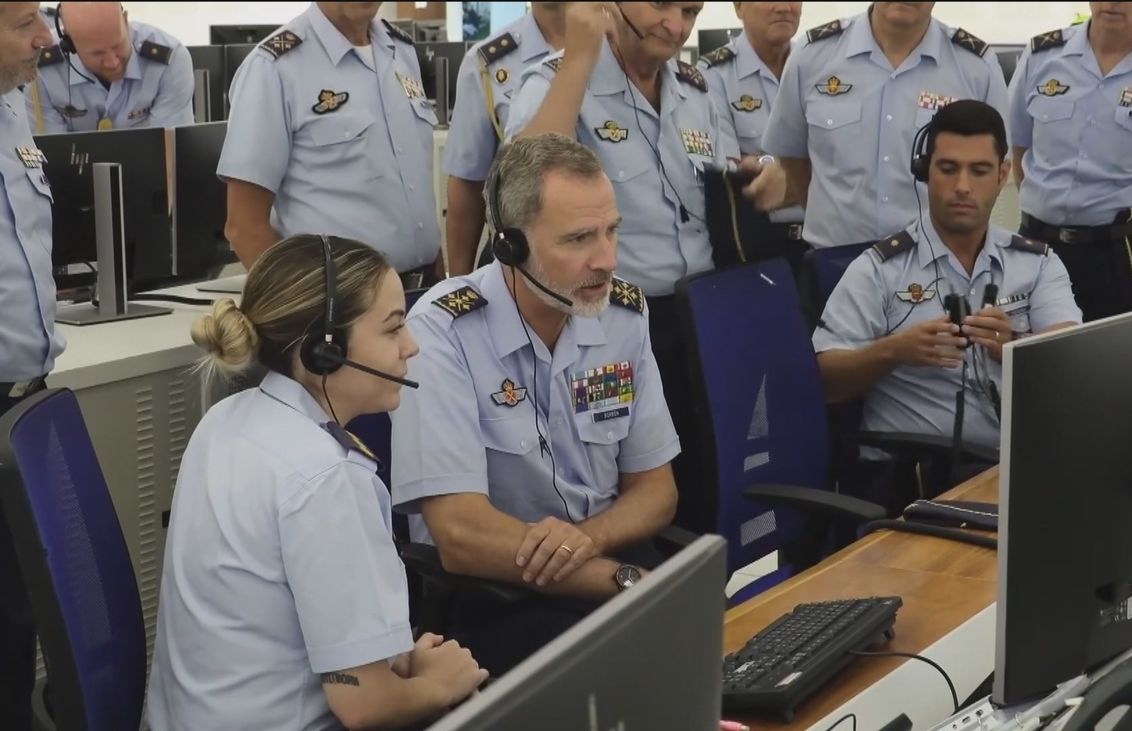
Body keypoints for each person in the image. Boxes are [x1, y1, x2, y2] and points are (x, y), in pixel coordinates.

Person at [148, 235, 487, 730]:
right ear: (324, 352)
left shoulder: (226, 420)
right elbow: (365, 706)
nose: (411, 346)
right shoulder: (327, 477)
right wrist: (440, 683)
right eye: (393, 330)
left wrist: (382, 660)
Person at [391, 134, 679, 675]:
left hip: (606, 557)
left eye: (611, 231)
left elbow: (656, 489)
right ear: (509, 247)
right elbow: (460, 536)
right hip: (496, 594)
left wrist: (587, 540)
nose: (607, 260)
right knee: (642, 674)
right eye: (579, 239)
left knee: (725, 658)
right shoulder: (443, 331)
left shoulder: (622, 314)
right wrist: (623, 582)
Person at [505, 2, 731, 533]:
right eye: (660, 6)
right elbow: (520, 186)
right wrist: (581, 58)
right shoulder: (558, 80)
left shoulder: (697, 91)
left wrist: (760, 176)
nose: (675, 27)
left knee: (702, 483)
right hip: (605, 323)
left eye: (691, 11)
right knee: (614, 486)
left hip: (697, 321)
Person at [814, 101, 1080, 494]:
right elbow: (827, 381)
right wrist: (894, 351)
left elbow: (1073, 364)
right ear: (926, 172)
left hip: (1018, 470)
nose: (962, 187)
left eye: (979, 170)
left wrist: (1016, 346)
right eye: (948, 169)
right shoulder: (879, 268)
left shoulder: (1037, 263)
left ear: (1003, 173)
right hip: (911, 481)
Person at [746, 1, 1010, 248]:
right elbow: (793, 158)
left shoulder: (977, 69)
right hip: (836, 265)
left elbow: (994, 173)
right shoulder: (811, 57)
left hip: (934, 266)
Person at [218, 2, 441, 285]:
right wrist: (302, 310)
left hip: (424, 291)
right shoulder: (274, 68)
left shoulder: (401, 51)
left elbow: (415, 193)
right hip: (341, 307)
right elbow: (244, 227)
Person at [1009, 2, 1132, 321]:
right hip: (1037, 246)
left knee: (1122, 362)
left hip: (1123, 254)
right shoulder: (1042, 56)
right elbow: (1019, 149)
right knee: (1029, 360)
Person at [0, 5, 58, 728]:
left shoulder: (13, 105)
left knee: (19, 620)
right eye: (23, 23)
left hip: (22, 404)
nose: (46, 38)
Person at [442, 2, 566, 277]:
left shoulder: (624, 46)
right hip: (523, 264)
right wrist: (461, 287)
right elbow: (467, 184)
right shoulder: (488, 63)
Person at [697, 1, 806, 269]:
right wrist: (794, 167)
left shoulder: (818, 64)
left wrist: (765, 162)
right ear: (738, 7)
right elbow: (730, 168)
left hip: (825, 238)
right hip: (756, 245)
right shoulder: (713, 75)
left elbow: (841, 153)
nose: (783, 7)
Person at [26, 1, 194, 133]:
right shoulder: (39, 70)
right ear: (69, 44)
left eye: (117, 46)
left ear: (125, 20)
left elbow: (169, 151)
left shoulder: (170, 61)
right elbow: (49, 156)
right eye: (97, 53)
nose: (112, 62)